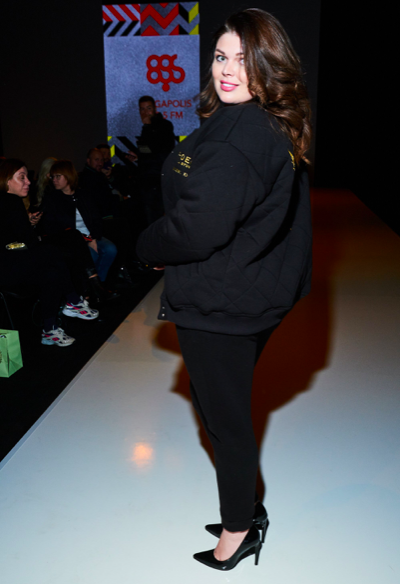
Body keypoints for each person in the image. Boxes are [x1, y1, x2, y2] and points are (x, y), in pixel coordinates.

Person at [136, 9, 312, 571]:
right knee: (219, 408)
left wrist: (147, 245)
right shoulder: (253, 121)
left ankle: (240, 528)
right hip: (242, 291)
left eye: (244, 59)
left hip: (222, 300)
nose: (228, 70)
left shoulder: (243, 135)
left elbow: (198, 228)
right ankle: (246, 509)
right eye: (220, 56)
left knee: (225, 420)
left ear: (269, 65)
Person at [0, 159, 99, 346]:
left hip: (13, 261)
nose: (28, 182)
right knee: (52, 253)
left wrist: (28, 227)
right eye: (22, 177)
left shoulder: (10, 202)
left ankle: (50, 329)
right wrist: (29, 236)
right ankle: (73, 300)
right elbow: (16, 244)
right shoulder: (10, 201)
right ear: (7, 181)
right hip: (7, 267)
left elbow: (16, 240)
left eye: (27, 177)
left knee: (52, 269)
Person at [42, 159, 119, 300]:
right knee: (92, 255)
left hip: (90, 235)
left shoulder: (83, 194)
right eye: (53, 177)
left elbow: (96, 218)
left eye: (58, 176)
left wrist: (93, 238)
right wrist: (84, 240)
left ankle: (99, 285)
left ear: (68, 176)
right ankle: (89, 289)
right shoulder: (52, 199)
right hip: (73, 240)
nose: (54, 180)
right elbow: (52, 227)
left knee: (110, 249)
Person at [126, 95, 175, 225]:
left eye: (148, 108)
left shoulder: (164, 126)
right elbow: (148, 152)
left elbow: (162, 153)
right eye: (142, 109)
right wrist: (138, 157)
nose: (145, 112)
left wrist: (148, 128)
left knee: (154, 222)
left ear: (155, 109)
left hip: (156, 182)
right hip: (147, 182)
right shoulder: (147, 128)